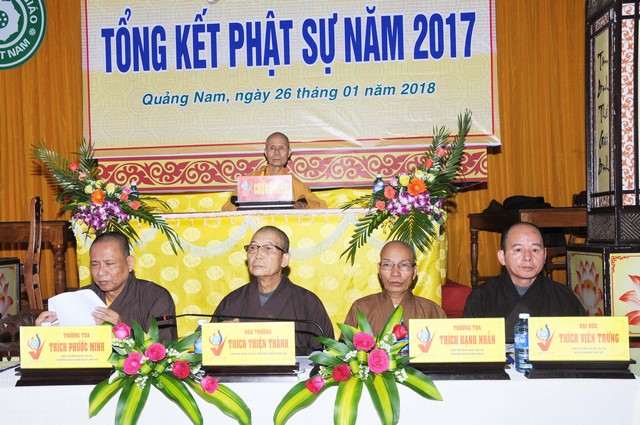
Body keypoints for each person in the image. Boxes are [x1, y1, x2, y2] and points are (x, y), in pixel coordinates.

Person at [212, 225, 334, 355]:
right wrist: (222, 333)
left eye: (268, 248)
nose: (258, 255)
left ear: (284, 260)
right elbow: (207, 348)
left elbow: (328, 355)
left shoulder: (307, 302)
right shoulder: (232, 301)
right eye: (253, 248)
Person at [37, 232, 177, 341]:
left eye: (109, 264)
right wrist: (42, 335)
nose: (100, 272)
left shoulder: (155, 297)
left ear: (129, 263)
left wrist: (124, 333)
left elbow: (165, 354)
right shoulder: (80, 299)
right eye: (95, 264)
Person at [463, 222, 587, 340]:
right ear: (502, 257)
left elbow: (582, 344)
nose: (528, 257)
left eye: (535, 250)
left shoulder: (564, 297)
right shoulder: (481, 297)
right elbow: (471, 349)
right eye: (518, 250)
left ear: (544, 255)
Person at [343, 241, 446, 335]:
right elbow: (344, 348)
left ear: (414, 271)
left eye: (404, 265)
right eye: (387, 265)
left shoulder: (431, 310)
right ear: (379, 270)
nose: (395, 273)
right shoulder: (361, 308)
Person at [221, 132, 327, 210]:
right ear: (265, 152)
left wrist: (302, 204)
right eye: (272, 148)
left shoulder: (293, 183)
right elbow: (227, 209)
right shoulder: (250, 180)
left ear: (289, 153)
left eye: (281, 148)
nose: (277, 152)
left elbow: (321, 206)